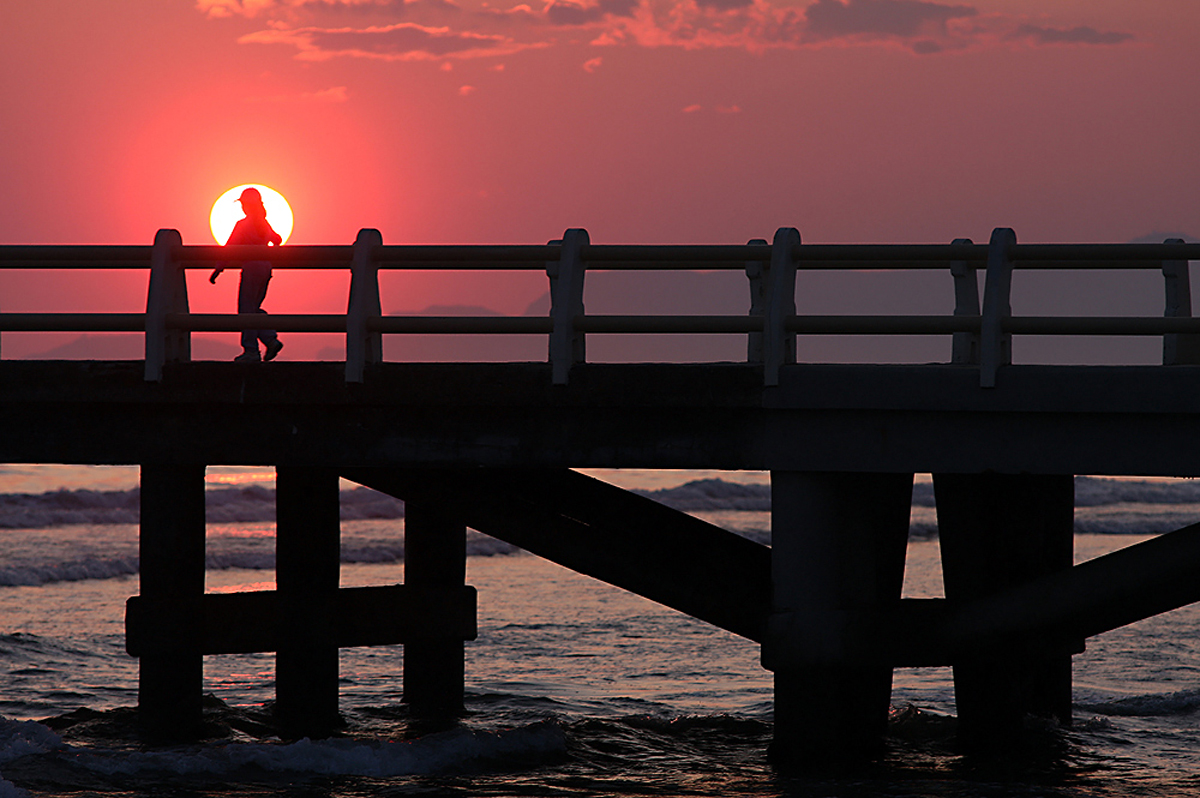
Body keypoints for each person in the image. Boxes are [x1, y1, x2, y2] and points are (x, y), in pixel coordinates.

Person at [210, 187, 284, 362]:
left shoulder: (242, 225)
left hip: (251, 269)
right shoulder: (263, 223)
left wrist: (218, 269)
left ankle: (251, 350)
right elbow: (278, 239)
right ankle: (270, 339)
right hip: (266, 269)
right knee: (253, 308)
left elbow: (229, 248)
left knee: (246, 310)